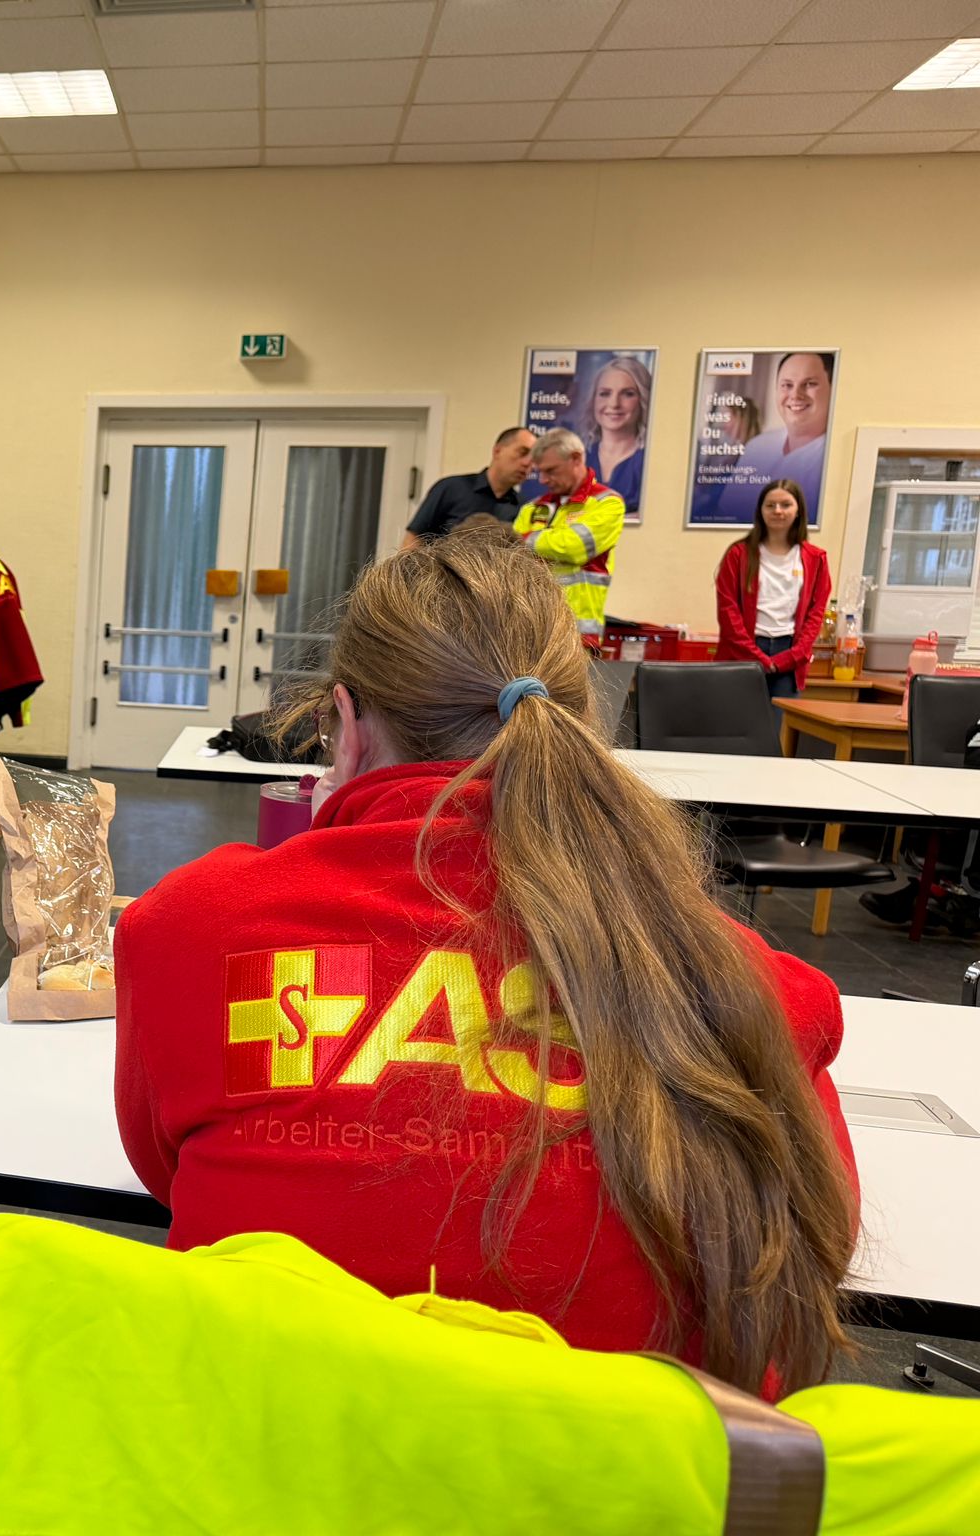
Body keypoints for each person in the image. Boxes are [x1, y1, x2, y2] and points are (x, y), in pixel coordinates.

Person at [114, 523, 859, 1399]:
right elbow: (822, 1229)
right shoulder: (737, 977)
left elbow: (164, 1171)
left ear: (343, 726)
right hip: (636, 1501)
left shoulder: (190, 928)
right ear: (580, 722)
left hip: (273, 1473)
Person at [715, 479, 831, 700]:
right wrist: (759, 658)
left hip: (789, 657)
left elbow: (815, 615)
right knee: (736, 730)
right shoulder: (738, 555)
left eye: (786, 505)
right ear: (760, 511)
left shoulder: (816, 559)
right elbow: (728, 612)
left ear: (798, 511)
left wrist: (786, 659)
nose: (777, 511)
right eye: (770, 505)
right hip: (742, 655)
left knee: (778, 733)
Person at [514, 426, 623, 646]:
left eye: (551, 470)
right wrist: (548, 542)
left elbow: (574, 548)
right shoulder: (533, 507)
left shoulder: (607, 504)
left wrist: (526, 539)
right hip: (529, 632)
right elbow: (510, 554)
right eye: (540, 471)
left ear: (575, 458)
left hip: (577, 637)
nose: (543, 479)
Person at [723, 352, 834, 523]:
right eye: (787, 385)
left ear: (833, 389)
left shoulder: (834, 455)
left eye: (810, 384)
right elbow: (726, 513)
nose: (796, 394)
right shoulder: (757, 447)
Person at [399, 426, 536, 549]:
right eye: (523, 452)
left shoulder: (524, 508)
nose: (528, 463)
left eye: (534, 458)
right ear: (497, 451)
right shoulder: (451, 488)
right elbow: (413, 540)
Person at [579, 353, 649, 511]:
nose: (614, 403)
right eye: (605, 394)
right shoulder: (578, 458)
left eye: (628, 394)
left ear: (643, 400)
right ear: (593, 400)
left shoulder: (649, 460)